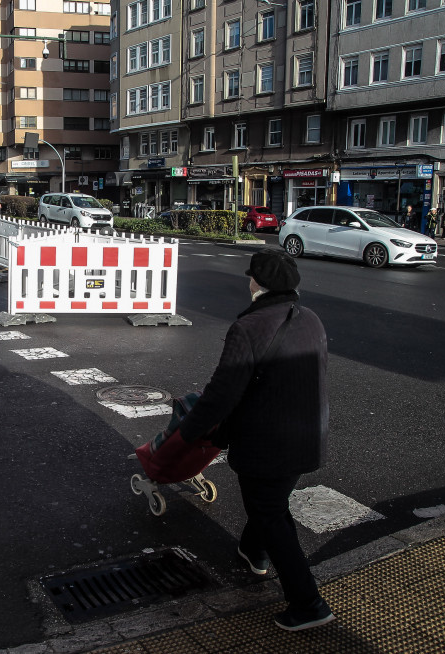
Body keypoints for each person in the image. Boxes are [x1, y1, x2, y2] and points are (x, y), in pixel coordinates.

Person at [177, 248, 333, 633]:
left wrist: (187, 432)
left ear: (256, 284)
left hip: (268, 442)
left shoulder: (249, 327)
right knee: (270, 504)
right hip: (308, 434)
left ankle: (308, 603)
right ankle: (253, 550)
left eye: (250, 277)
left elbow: (221, 393)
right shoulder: (310, 319)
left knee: (271, 513)